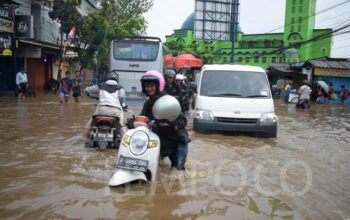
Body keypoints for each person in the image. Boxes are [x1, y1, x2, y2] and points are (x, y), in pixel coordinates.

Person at [140, 70, 190, 170]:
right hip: (161, 141)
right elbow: (142, 118)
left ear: (159, 85)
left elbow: (182, 120)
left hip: (176, 140)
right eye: (147, 86)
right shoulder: (148, 104)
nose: (149, 89)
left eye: (152, 86)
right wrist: (131, 122)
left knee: (178, 170)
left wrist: (170, 123)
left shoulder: (168, 101)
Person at [83, 71, 127, 142]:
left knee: (89, 125)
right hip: (115, 112)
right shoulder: (120, 88)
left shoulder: (100, 85)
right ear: (117, 79)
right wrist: (123, 104)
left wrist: (87, 93)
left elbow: (88, 90)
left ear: (106, 78)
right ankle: (125, 142)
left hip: (101, 110)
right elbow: (122, 98)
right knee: (121, 126)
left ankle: (85, 140)